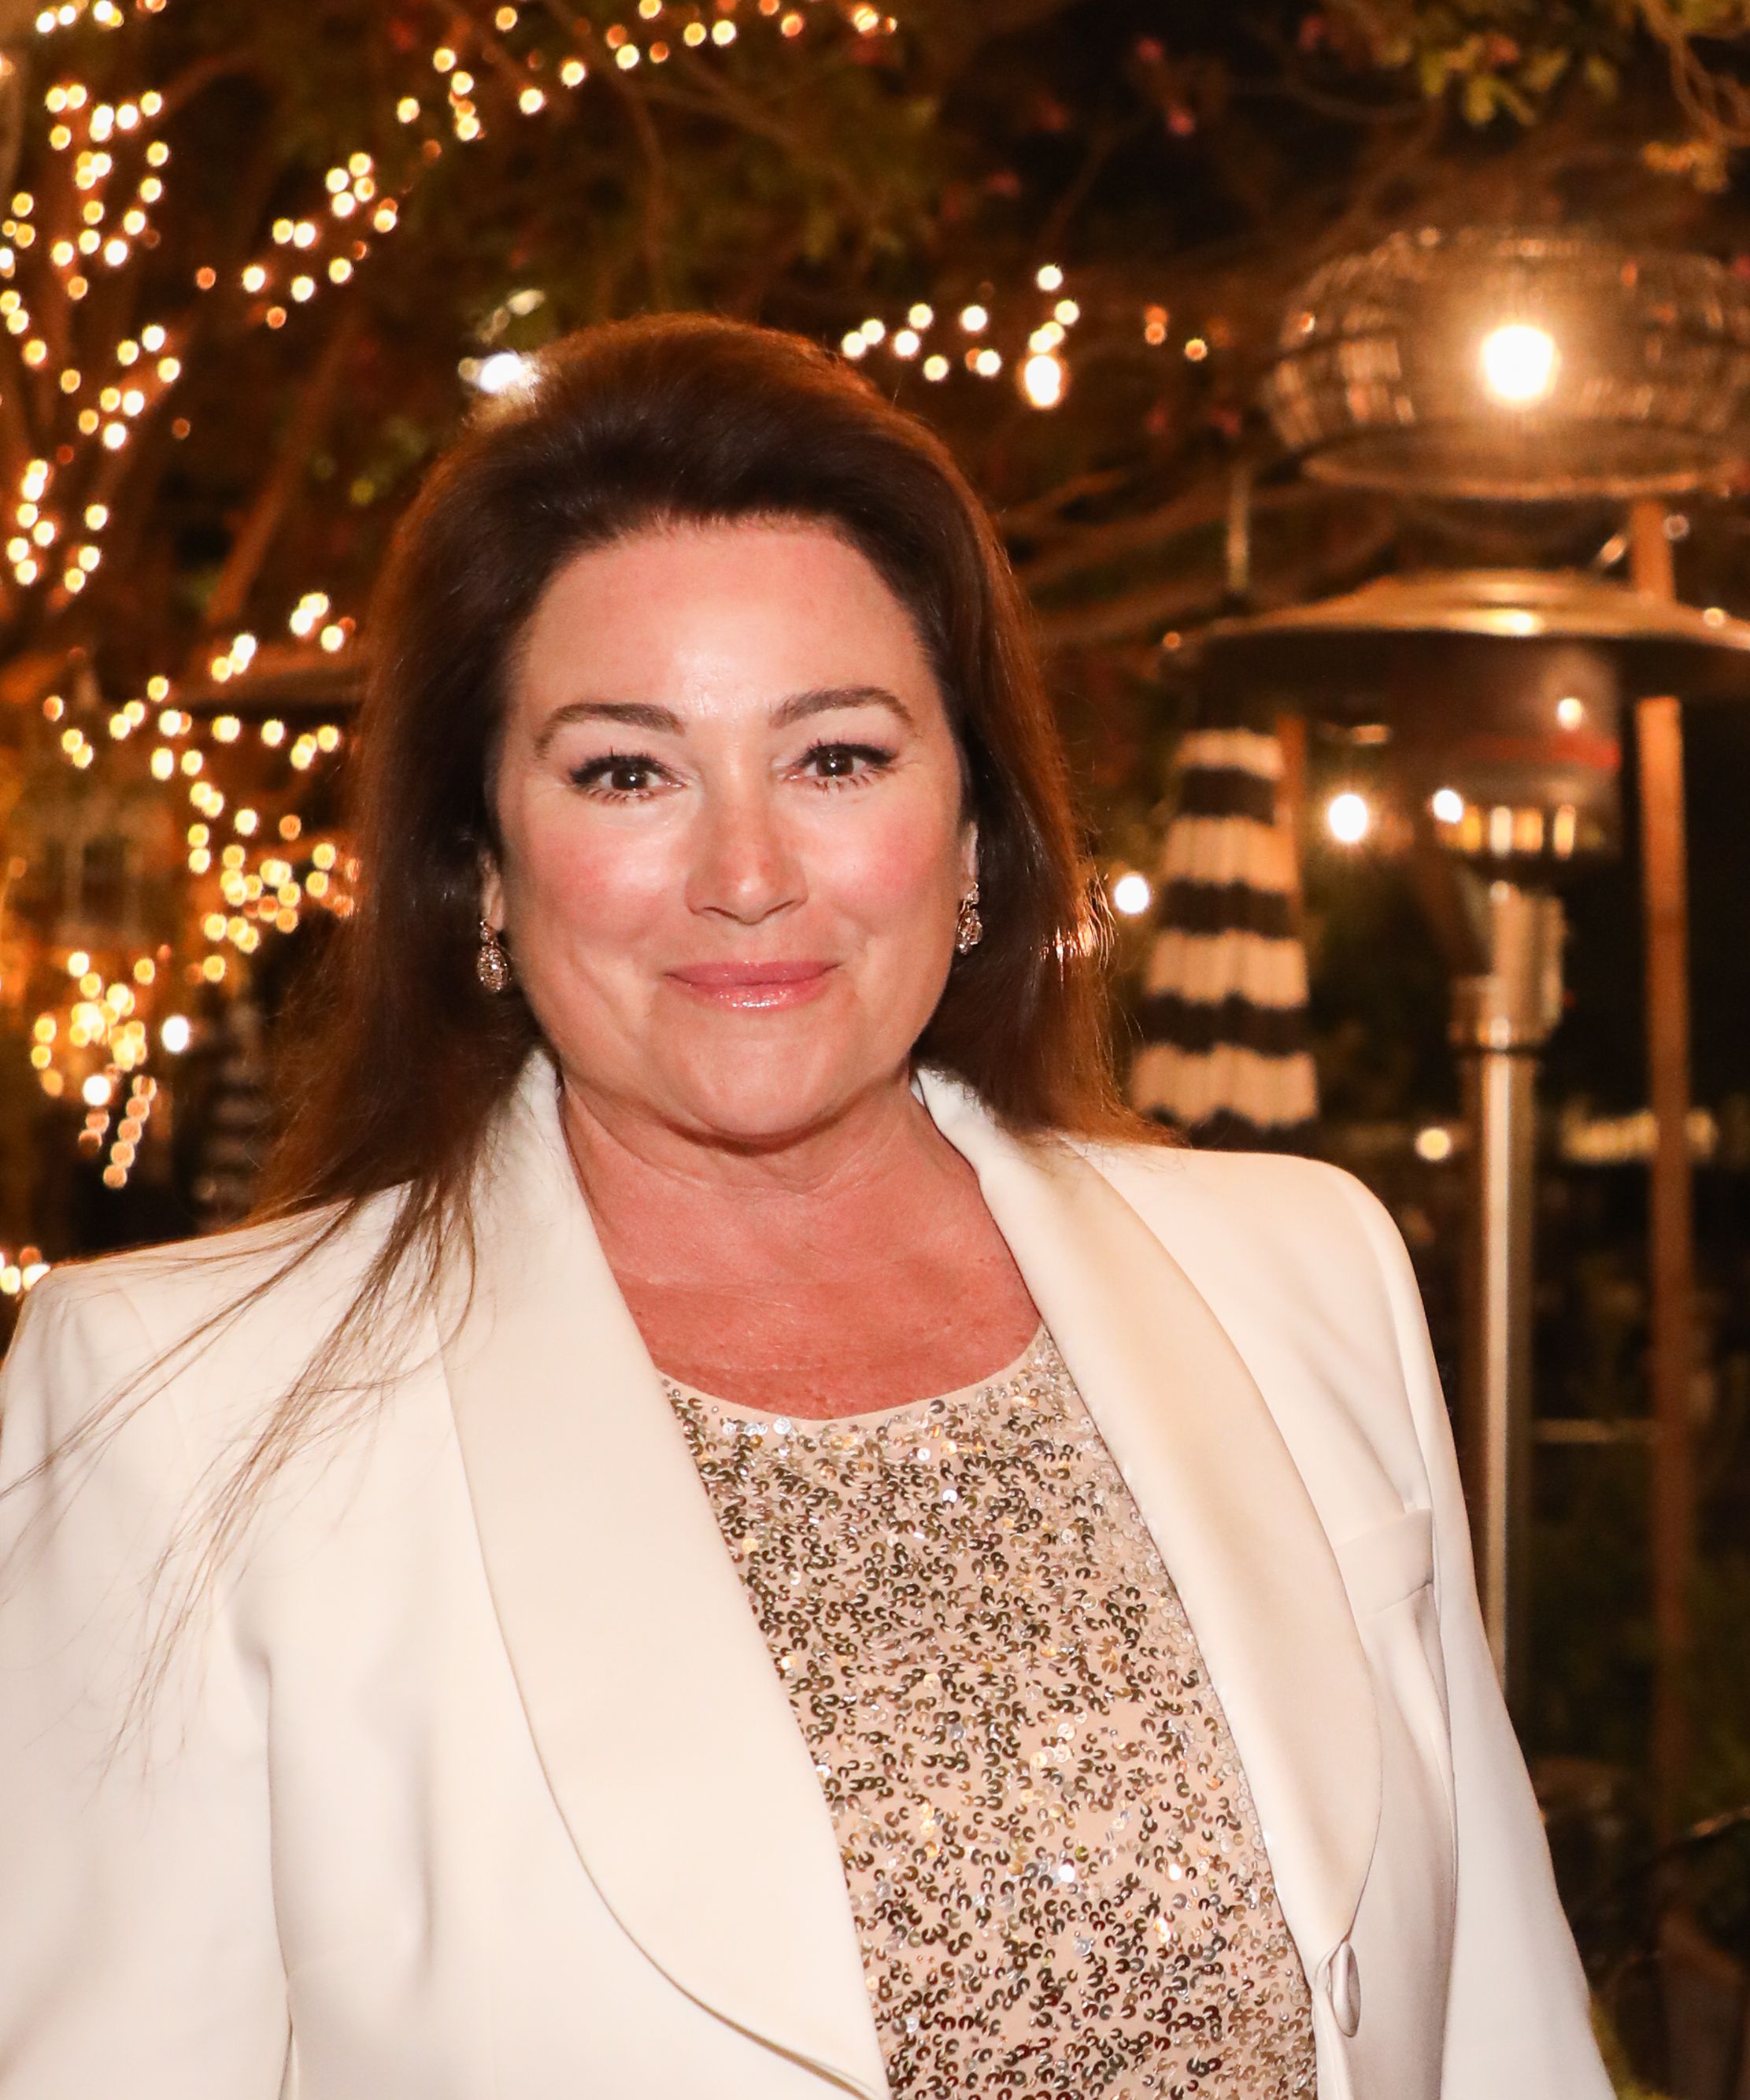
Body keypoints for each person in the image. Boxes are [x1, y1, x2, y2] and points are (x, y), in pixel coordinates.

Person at [0, 315, 1609, 2100]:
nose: (747, 874)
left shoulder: (1301, 1274)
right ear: (481, 862)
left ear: (979, 835)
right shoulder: (182, 1407)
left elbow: (1494, 2040)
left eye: (835, 757)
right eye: (627, 770)